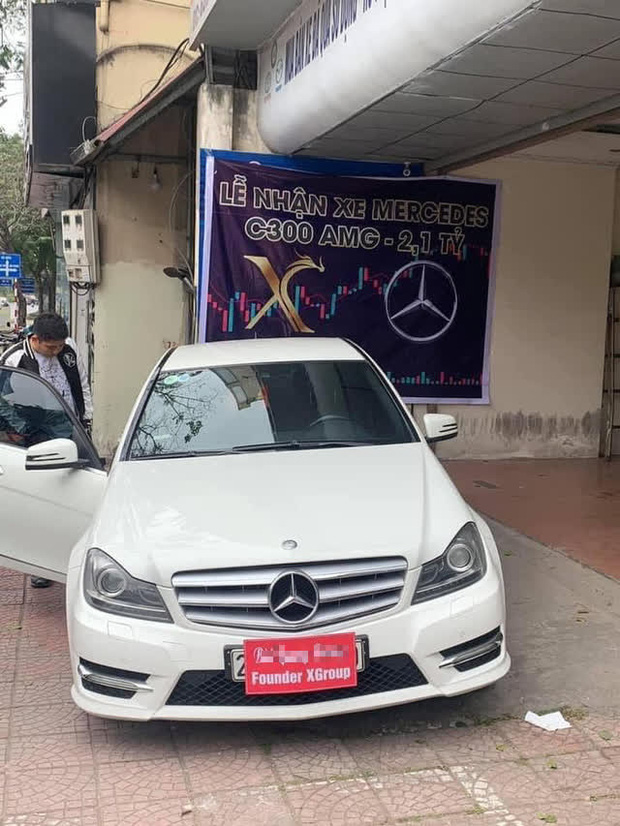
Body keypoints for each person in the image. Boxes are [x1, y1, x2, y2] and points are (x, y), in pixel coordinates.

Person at [0, 312, 93, 588]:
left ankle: (80, 552)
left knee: (79, 490)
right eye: (51, 347)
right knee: (43, 496)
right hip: (35, 431)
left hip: (70, 425)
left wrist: (86, 417)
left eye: (60, 346)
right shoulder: (15, 359)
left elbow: (81, 383)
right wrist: (20, 427)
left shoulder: (69, 350)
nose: (56, 352)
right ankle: (44, 563)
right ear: (35, 339)